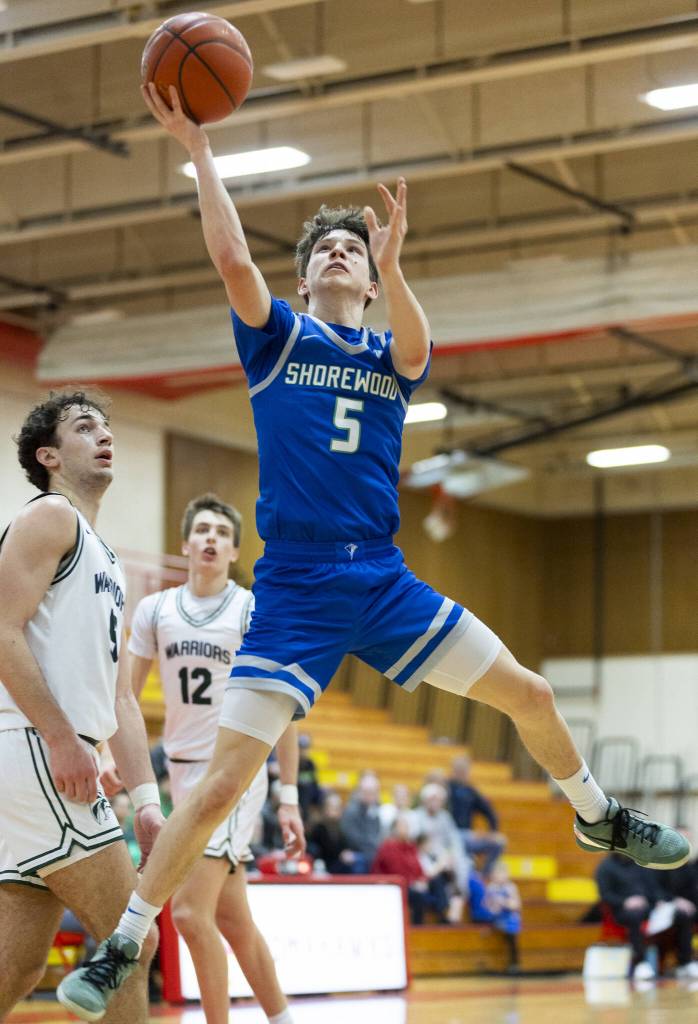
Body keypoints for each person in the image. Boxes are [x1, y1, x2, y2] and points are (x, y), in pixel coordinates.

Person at [58, 80, 690, 1019]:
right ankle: (124, 941)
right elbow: (230, 254)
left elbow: (418, 336)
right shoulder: (277, 339)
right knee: (223, 780)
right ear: (307, 280)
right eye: (327, 250)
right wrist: (197, 148)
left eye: (353, 245)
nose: (343, 253)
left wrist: (394, 262)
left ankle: (598, 814)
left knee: (534, 694)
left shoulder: (390, 351)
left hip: (382, 577)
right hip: (301, 585)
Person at [0, 390, 163, 1023]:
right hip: (38, 750)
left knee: (18, 963)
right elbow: (2, 631)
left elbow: (121, 695)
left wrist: (147, 803)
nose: (104, 434)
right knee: (132, 939)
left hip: (42, 757)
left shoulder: (110, 560)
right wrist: (65, 740)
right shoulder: (50, 517)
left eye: (105, 426)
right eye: (83, 426)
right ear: (49, 456)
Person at [108, 492, 301, 1024]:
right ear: (186, 543)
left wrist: (289, 797)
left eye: (222, 531)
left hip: (234, 777)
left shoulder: (249, 610)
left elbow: (285, 707)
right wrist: (108, 754)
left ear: (235, 550)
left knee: (191, 914)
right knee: (233, 921)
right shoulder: (154, 610)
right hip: (182, 774)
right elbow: (126, 696)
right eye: (203, 530)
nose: (212, 537)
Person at [596, 852, 698, 980]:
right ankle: (640, 963)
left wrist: (663, 900)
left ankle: (685, 963)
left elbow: (654, 888)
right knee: (635, 916)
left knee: (683, 914)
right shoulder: (605, 867)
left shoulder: (641, 864)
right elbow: (605, 895)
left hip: (649, 907)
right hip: (622, 911)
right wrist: (625, 901)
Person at [372, 815, 450, 925]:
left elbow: (418, 868)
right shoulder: (387, 847)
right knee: (418, 895)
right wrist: (414, 883)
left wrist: (422, 879)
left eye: (407, 826)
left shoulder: (410, 846)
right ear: (394, 829)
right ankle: (417, 927)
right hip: (395, 886)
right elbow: (396, 871)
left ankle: (442, 915)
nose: (406, 829)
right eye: (402, 826)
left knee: (437, 881)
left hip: (413, 882)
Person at [448, 755, 506, 876]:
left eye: (464, 770)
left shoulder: (471, 791)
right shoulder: (446, 787)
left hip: (467, 834)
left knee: (499, 842)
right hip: (449, 835)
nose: (462, 773)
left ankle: (483, 876)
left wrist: (493, 831)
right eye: (459, 769)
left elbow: (490, 812)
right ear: (453, 770)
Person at [341, 773, 384, 873]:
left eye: (374, 792)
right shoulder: (351, 811)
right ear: (360, 792)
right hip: (358, 853)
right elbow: (352, 839)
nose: (372, 796)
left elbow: (378, 834)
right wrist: (374, 850)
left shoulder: (376, 808)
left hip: (372, 852)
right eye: (368, 792)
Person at [307, 792, 356, 874]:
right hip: (322, 868)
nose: (335, 811)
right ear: (325, 808)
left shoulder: (342, 827)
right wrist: (341, 855)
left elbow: (347, 847)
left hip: (338, 867)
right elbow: (320, 852)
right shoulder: (318, 829)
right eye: (332, 807)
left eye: (338, 808)